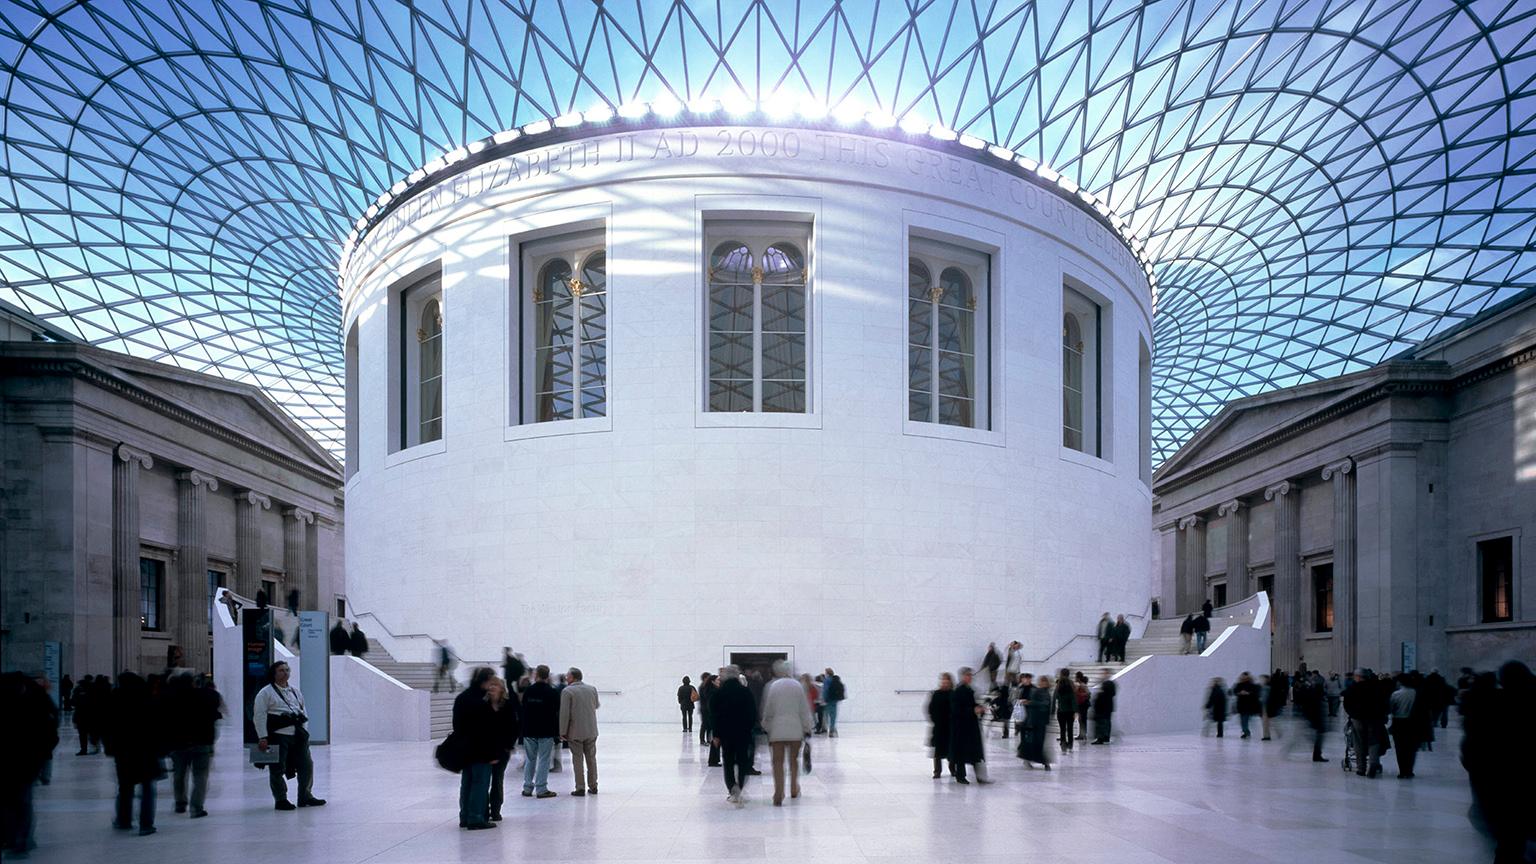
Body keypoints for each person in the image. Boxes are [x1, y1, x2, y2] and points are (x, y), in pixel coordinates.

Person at [252, 660, 325, 810]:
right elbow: (259, 715)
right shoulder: (265, 693)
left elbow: (303, 711)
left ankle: (305, 795)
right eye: (281, 670)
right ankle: (281, 799)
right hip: (278, 735)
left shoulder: (295, 692)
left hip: (297, 735)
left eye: (287, 670)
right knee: (277, 768)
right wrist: (262, 737)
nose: (285, 673)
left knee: (306, 765)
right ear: (274, 673)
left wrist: (304, 730)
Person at [2, 671, 57, 857]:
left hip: (25, 761)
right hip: (24, 761)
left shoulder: (34, 703)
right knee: (17, 802)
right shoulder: (35, 701)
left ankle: (20, 840)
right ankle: (16, 839)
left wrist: (41, 755)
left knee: (19, 801)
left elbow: (50, 733)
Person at [105, 671, 163, 835]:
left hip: (123, 751)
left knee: (125, 787)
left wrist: (110, 747)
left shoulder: (114, 700)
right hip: (146, 750)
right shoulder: (147, 699)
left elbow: (108, 727)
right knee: (147, 788)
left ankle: (124, 820)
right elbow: (157, 725)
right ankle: (146, 824)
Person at [165, 671, 221, 818]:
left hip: (178, 743)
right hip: (202, 742)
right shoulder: (207, 695)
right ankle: (196, 807)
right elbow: (215, 711)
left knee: (179, 774)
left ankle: (180, 802)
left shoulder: (171, 699)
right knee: (200, 776)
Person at [759, 660, 813, 806]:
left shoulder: (772, 686)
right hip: (795, 730)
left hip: (777, 731)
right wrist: (807, 728)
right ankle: (794, 788)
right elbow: (804, 710)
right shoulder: (798, 686)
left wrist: (766, 726)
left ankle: (778, 792)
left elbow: (768, 710)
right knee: (793, 761)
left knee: (777, 762)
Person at [452, 667, 499, 829]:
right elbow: (487, 731)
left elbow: (456, 726)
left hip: (465, 749)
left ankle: (464, 816)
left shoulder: (462, 698)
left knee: (467, 783)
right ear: (485, 681)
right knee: (480, 783)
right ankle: (476, 817)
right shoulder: (482, 702)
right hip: (480, 751)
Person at [711, 665, 758, 805]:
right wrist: (749, 728)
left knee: (728, 761)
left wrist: (716, 734)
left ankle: (732, 787)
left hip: (726, 734)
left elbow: (714, 716)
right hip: (743, 733)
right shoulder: (745, 692)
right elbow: (752, 713)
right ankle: (740, 785)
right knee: (742, 760)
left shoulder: (719, 694)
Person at [519, 665, 559, 799]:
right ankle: (541, 788)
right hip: (546, 730)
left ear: (536, 675)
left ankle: (527, 787)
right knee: (544, 760)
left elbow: (523, 710)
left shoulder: (528, 691)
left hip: (529, 730)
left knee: (530, 759)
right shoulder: (552, 692)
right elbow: (556, 713)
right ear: (547, 676)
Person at [559, 667, 600, 796]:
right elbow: (596, 705)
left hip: (575, 731)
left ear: (573, 677)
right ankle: (593, 786)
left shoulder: (567, 691)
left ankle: (580, 787)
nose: (566, 678)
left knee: (577, 759)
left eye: (567, 676)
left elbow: (564, 714)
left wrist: (562, 731)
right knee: (591, 759)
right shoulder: (592, 689)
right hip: (591, 730)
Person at [485, 675, 519, 822]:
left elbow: (514, 727)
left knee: (497, 780)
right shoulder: (483, 705)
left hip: (501, 750)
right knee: (483, 781)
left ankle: (496, 809)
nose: (492, 688)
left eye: (496, 685)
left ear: (502, 689)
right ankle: (483, 809)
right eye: (490, 685)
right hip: (484, 750)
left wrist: (508, 746)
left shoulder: (508, 705)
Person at [950, 667, 990, 783]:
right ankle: (961, 776)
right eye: (967, 675)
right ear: (962, 676)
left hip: (970, 726)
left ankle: (980, 777)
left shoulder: (969, 690)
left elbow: (971, 705)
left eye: (970, 675)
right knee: (962, 753)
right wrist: (973, 710)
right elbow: (956, 710)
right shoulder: (958, 691)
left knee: (974, 752)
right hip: (961, 727)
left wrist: (979, 709)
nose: (970, 677)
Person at [1342, 668, 1383, 777]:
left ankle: (1361, 768)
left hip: (1357, 718)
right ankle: (1373, 762)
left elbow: (1346, 704)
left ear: (1358, 677)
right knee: (1374, 741)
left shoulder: (1352, 688)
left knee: (1359, 743)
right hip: (1374, 718)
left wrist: (1352, 713)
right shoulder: (1376, 687)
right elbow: (1382, 702)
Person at [1017, 674, 1053, 770]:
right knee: (1034, 742)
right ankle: (1041, 762)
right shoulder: (1038, 691)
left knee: (1037, 742)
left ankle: (1041, 762)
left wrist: (1029, 703)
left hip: (1038, 721)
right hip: (1035, 721)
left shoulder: (1040, 691)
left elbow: (1044, 705)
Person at [1388, 673, 1420, 779]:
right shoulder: (1416, 692)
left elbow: (1391, 708)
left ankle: (1402, 770)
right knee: (1411, 747)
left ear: (1400, 682)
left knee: (1400, 748)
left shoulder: (1396, 694)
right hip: (1413, 723)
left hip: (1399, 722)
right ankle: (1409, 769)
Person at [1294, 670, 1328, 762]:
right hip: (1313, 717)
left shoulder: (1309, 688)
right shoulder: (1310, 689)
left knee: (1313, 737)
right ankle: (1317, 755)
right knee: (1315, 737)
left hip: (1312, 716)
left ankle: (1317, 754)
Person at [925, 673, 954, 779]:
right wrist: (934, 720)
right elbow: (930, 709)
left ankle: (953, 769)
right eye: (943, 682)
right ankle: (937, 771)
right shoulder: (936, 694)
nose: (945, 684)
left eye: (947, 682)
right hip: (939, 727)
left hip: (950, 727)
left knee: (951, 750)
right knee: (938, 752)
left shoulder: (953, 694)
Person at [1232, 672, 1260, 738]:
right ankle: (1246, 731)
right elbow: (1235, 691)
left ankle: (1245, 732)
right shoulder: (1239, 684)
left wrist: (1248, 693)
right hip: (1241, 705)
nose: (1244, 678)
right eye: (1243, 677)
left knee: (1245, 719)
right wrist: (1240, 693)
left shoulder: (1251, 685)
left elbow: (1255, 693)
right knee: (1243, 720)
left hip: (1248, 705)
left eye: (1245, 677)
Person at [1054, 669, 1076, 751]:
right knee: (1070, 728)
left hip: (1061, 710)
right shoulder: (1071, 684)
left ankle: (1063, 742)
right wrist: (1076, 710)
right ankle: (1070, 744)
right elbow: (1074, 698)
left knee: (1062, 728)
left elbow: (1055, 696)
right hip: (1070, 710)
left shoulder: (1059, 683)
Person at [699, 672, 719, 756]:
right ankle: (703, 740)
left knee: (708, 726)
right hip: (706, 709)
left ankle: (707, 739)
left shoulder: (705, 687)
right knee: (705, 725)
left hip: (706, 709)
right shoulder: (705, 688)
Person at [1262, 672, 1287, 741]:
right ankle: (1267, 736)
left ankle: (1275, 734)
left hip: (1269, 706)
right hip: (1266, 706)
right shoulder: (1268, 686)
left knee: (1271, 722)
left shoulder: (1271, 687)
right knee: (1266, 723)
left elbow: (1272, 697)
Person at [821, 668, 845, 737]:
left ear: (827, 673)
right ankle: (833, 728)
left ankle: (831, 729)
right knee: (833, 716)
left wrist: (824, 699)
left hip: (828, 700)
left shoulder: (827, 680)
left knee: (827, 715)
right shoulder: (836, 679)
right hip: (835, 700)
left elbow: (825, 690)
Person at [1090, 679, 1115, 744]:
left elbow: (1096, 704)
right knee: (1107, 724)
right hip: (1108, 711)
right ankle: (1106, 737)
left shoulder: (1101, 695)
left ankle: (1100, 738)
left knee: (1100, 725)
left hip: (1100, 712)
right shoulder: (1111, 695)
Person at [1074, 672, 1091, 740]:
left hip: (1083, 705)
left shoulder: (1082, 685)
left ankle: (1083, 734)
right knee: (1081, 719)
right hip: (1081, 704)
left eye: (1076, 677)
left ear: (1078, 678)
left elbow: (1088, 693)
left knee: (1082, 720)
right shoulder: (1080, 685)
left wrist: (1080, 694)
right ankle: (1082, 734)